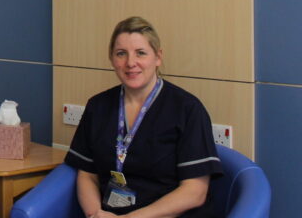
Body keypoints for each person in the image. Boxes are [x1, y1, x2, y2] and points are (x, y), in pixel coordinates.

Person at [65, 17, 223, 218]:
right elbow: (87, 175)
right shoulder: (97, 107)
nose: (131, 63)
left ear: (158, 57)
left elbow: (195, 192)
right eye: (121, 53)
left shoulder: (187, 109)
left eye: (140, 53)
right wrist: (95, 214)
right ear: (112, 59)